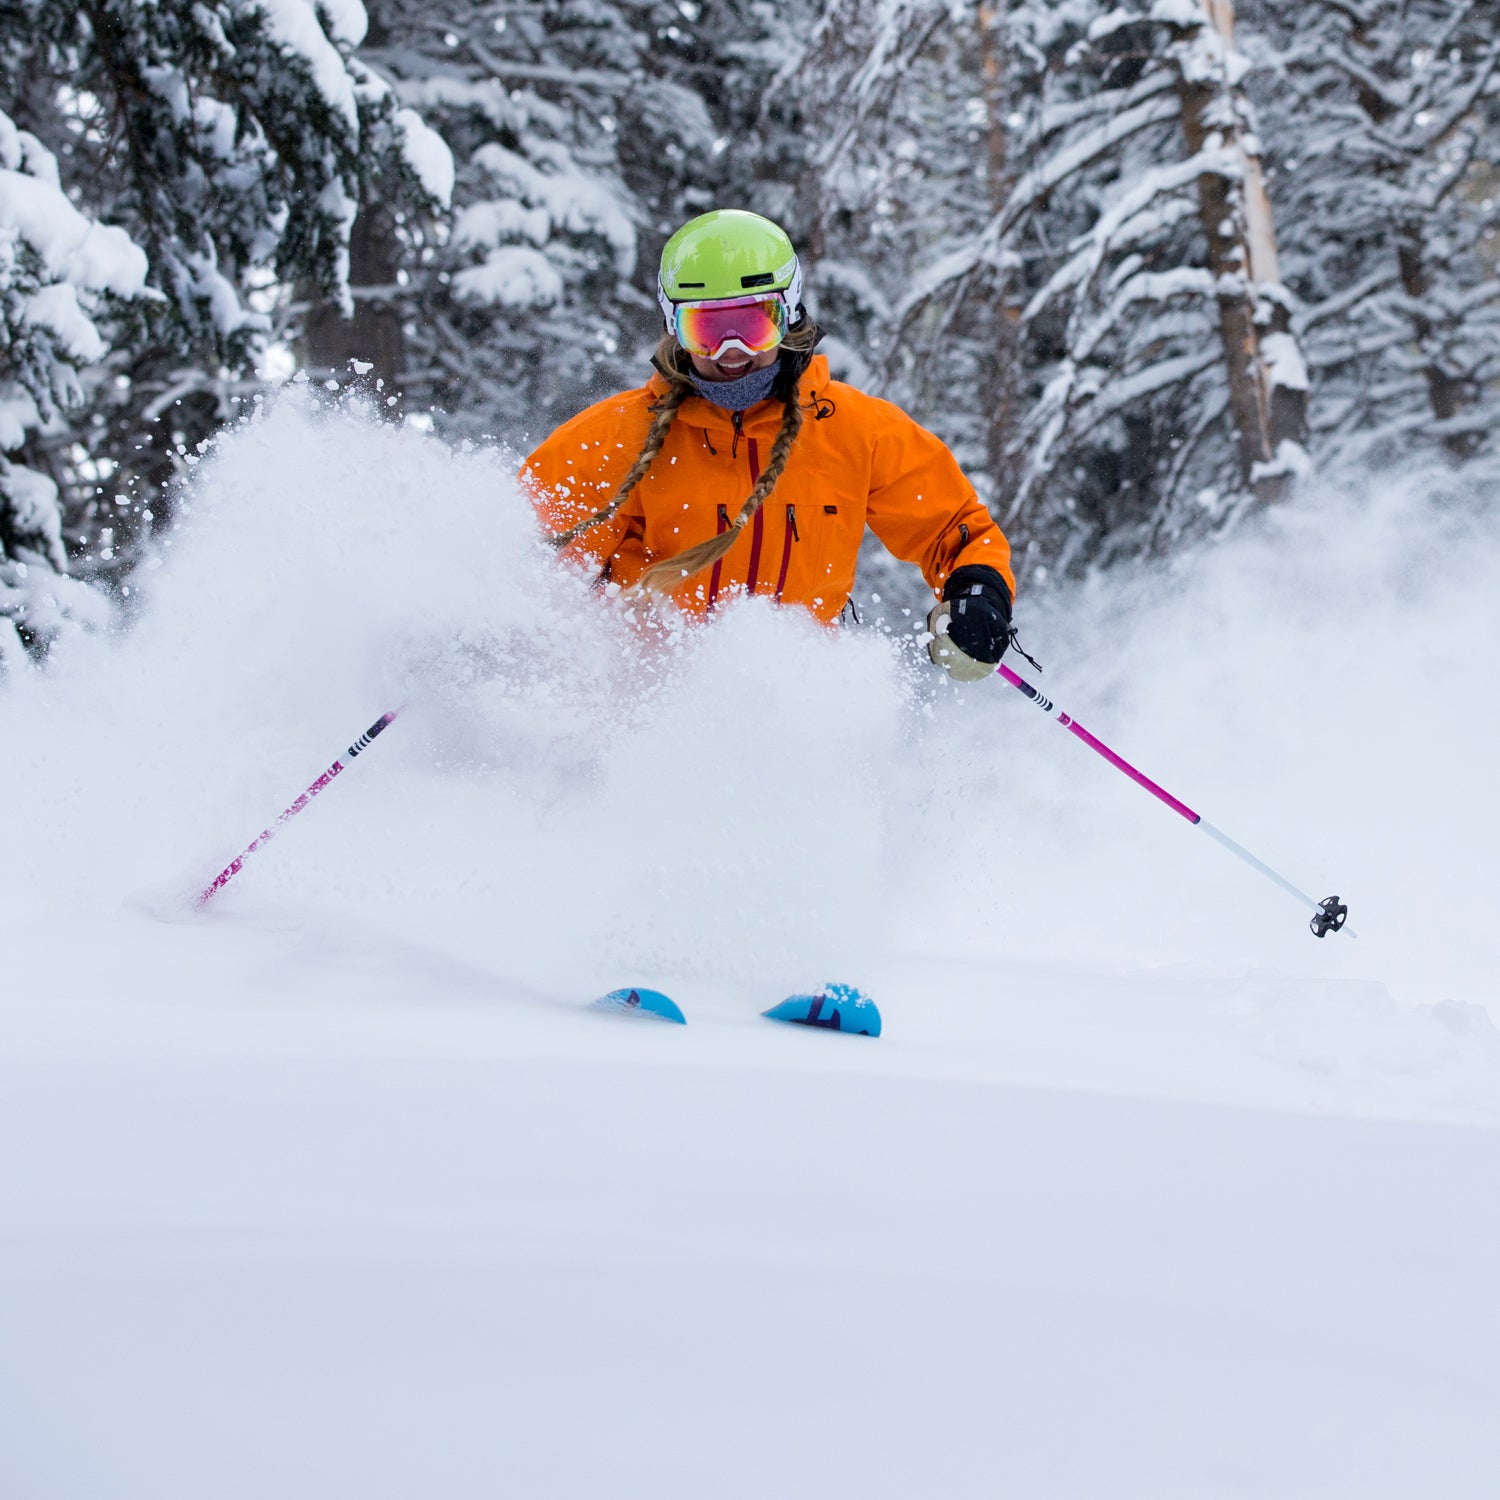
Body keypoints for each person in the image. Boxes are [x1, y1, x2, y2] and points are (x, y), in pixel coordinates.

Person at [522, 209, 1015, 681]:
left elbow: (954, 527)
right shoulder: (617, 437)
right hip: (647, 707)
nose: (730, 353)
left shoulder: (855, 430)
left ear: (789, 315)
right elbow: (530, 558)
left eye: (753, 325)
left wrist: (978, 593)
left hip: (789, 710)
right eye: (706, 329)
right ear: (675, 327)